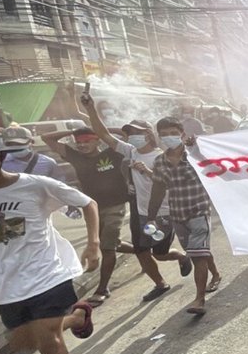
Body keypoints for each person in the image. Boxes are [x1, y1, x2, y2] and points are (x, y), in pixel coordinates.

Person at [0, 129, 100, 354]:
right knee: (24, 342)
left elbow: (88, 203)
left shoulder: (36, 185)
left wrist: (94, 243)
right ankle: (78, 317)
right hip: (1, 283)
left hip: (46, 273)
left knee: (50, 344)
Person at [81, 98, 194, 302]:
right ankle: (160, 283)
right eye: (130, 133)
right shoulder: (130, 151)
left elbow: (172, 184)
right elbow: (103, 134)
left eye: (137, 133)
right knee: (141, 250)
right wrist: (90, 108)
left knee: (160, 253)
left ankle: (180, 256)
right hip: (140, 212)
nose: (133, 137)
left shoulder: (163, 156)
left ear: (149, 135)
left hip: (163, 213)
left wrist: (149, 172)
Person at [43, 125, 131, 308]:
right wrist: (73, 132)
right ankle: (143, 250)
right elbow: (47, 138)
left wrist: (98, 129)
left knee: (107, 248)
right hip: (92, 208)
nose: (82, 145)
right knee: (110, 242)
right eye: (79, 142)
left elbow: (125, 133)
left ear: (97, 139)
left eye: (86, 141)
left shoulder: (113, 152)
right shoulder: (75, 157)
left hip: (116, 205)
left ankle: (102, 289)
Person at [148, 118, 222, 315]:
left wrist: (197, 145)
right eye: (164, 134)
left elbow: (216, 166)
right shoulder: (159, 162)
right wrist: (150, 217)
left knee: (198, 256)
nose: (168, 137)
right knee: (199, 251)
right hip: (178, 215)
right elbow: (157, 190)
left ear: (181, 132)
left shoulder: (194, 153)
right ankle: (215, 275)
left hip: (199, 211)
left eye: (172, 132)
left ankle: (199, 299)